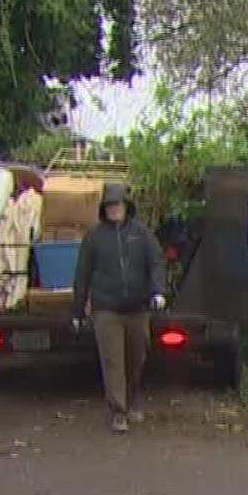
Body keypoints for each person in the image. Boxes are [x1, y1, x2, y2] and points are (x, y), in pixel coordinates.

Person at [71, 182, 165, 434]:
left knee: (136, 357)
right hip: (106, 309)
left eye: (118, 204)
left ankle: (133, 396)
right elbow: (82, 274)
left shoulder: (142, 234)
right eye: (109, 205)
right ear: (104, 208)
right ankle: (118, 412)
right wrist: (78, 310)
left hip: (137, 307)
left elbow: (156, 262)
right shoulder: (94, 237)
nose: (114, 209)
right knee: (113, 361)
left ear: (126, 206)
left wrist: (158, 290)